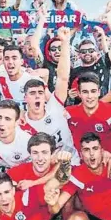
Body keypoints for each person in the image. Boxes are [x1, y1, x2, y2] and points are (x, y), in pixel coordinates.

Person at [22, 27, 80, 164]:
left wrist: (65, 42)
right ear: (25, 98)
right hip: (42, 170)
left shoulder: (55, 106)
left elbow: (63, 78)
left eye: (40, 93)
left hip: (71, 164)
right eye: (32, 93)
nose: (37, 96)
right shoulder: (20, 123)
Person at [0, 45, 45, 112]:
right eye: (6, 58)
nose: (10, 62)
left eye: (14, 58)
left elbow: (49, 101)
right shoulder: (0, 79)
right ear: (3, 62)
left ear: (22, 62)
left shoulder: (32, 79)